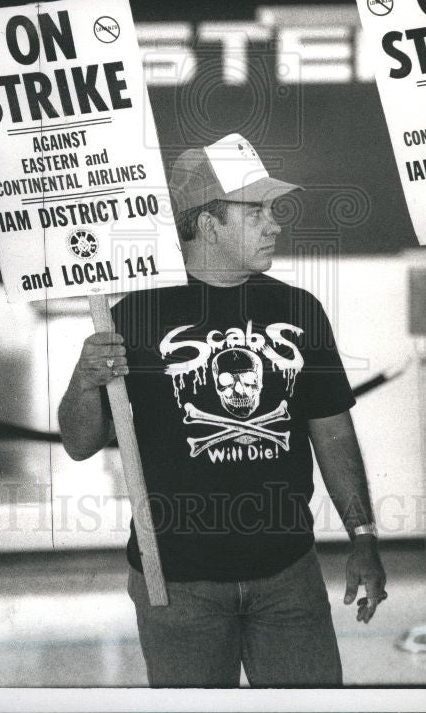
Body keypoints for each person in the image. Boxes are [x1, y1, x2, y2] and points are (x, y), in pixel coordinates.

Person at [58, 132, 387, 687]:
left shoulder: (298, 309)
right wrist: (85, 379)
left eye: (271, 209)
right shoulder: (130, 317)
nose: (274, 223)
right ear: (208, 224)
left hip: (289, 575)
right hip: (176, 584)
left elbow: (332, 434)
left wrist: (365, 537)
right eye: (255, 210)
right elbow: (79, 442)